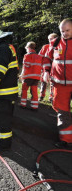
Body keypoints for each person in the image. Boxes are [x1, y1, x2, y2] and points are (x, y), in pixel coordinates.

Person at [43, 18, 72, 148]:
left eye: (68, 30)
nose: (65, 33)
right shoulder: (55, 43)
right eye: (62, 31)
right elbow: (47, 58)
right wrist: (46, 71)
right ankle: (66, 139)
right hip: (60, 85)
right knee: (62, 112)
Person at [19, 42, 42, 111]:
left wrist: (22, 75)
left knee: (24, 90)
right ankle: (34, 106)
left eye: (26, 48)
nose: (26, 49)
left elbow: (26, 66)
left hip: (28, 77)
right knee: (34, 92)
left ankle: (23, 104)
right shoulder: (39, 56)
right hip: (36, 78)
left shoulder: (27, 55)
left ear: (28, 48)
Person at [38, 33, 58, 102]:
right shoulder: (45, 47)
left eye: (51, 39)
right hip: (45, 67)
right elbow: (40, 57)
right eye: (49, 39)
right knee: (43, 81)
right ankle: (41, 96)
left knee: (53, 83)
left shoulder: (59, 46)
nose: (50, 40)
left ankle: (51, 97)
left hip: (55, 68)